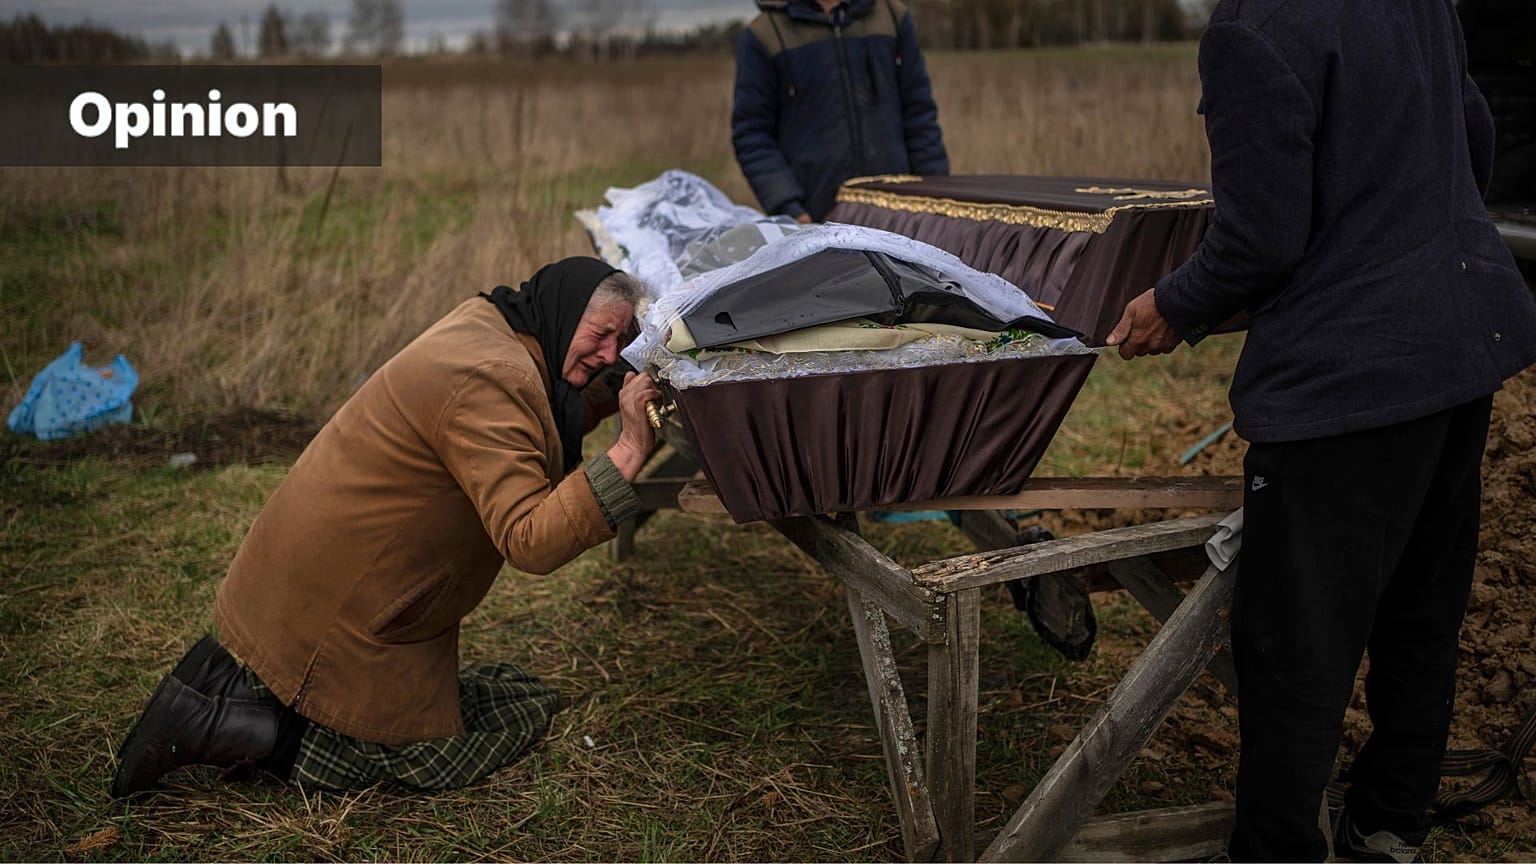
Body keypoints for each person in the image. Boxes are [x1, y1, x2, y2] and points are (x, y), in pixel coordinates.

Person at [1105, 1, 1536, 860]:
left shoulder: (1254, 28)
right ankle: (1388, 825)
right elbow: (1474, 133)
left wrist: (1172, 305)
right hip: (1459, 350)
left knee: (1293, 648)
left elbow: (1260, 239)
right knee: (1422, 613)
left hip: (1350, 380)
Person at [110, 257, 662, 797]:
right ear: (566, 311)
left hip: (307, 585)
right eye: (600, 335)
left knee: (508, 696)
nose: (608, 353)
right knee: (448, 747)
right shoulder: (494, 379)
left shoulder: (492, 324)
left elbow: (542, 416)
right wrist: (630, 446)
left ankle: (228, 688)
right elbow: (530, 540)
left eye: (621, 343)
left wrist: (619, 385)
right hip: (340, 611)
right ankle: (240, 727)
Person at [731, 0, 949, 224]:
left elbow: (920, 115)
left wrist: (937, 198)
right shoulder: (765, 33)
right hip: (818, 223)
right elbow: (752, 134)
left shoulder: (893, 16)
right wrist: (792, 210)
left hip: (900, 214)